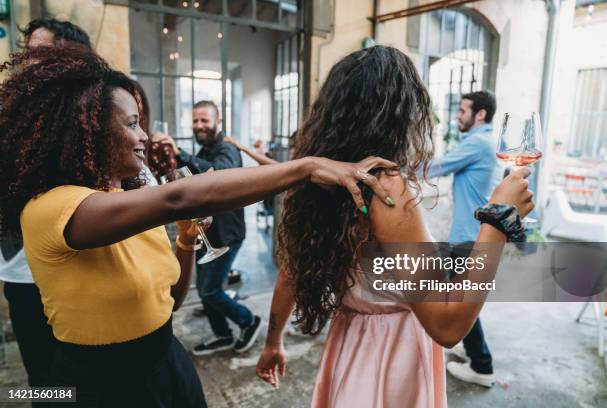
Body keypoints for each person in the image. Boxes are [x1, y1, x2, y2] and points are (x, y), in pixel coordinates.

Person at [0, 44, 396, 407]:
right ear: (86, 131)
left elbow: (170, 300)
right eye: (132, 123)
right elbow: (181, 197)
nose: (143, 136)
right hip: (99, 384)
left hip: (166, 364)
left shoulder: (129, 201)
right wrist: (307, 167)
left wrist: (188, 241)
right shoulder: (49, 208)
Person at [255, 46, 533, 407]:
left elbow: (290, 272)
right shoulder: (386, 190)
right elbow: (447, 326)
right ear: (401, 114)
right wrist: (498, 221)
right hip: (391, 355)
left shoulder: (322, 178)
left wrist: (273, 342)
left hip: (352, 341)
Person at [0, 17, 92, 389]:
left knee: (82, 372)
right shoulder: (11, 116)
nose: (29, 61)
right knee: (43, 378)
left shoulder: (85, 117)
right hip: (21, 273)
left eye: (41, 53)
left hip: (73, 267)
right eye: (28, 52)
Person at [153, 101, 262, 355]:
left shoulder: (227, 149)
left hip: (226, 235)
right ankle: (222, 335)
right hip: (206, 233)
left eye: (204, 120)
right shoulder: (203, 152)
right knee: (205, 290)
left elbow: (219, 175)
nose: (199, 125)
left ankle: (249, 321)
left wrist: (179, 152)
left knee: (209, 290)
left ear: (218, 122)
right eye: (195, 121)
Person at [427, 90, 501, 387]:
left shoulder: (478, 143)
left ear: (480, 114)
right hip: (473, 234)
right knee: (459, 295)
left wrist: (392, 168)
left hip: (468, 237)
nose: (459, 114)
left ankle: (482, 367)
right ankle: (472, 350)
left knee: (459, 299)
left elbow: (435, 167)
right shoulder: (491, 140)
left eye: (464, 110)